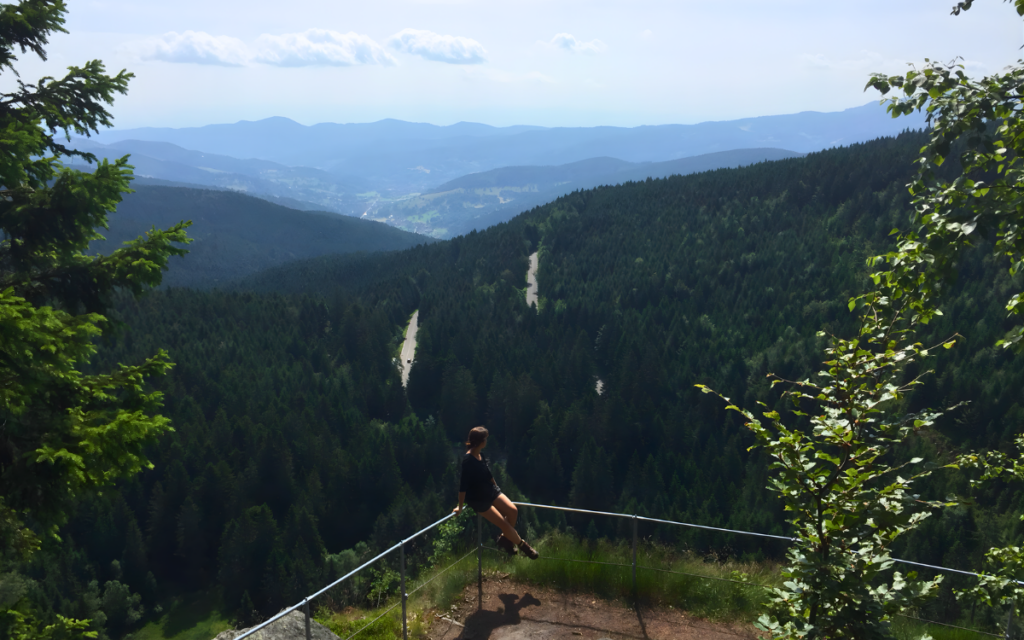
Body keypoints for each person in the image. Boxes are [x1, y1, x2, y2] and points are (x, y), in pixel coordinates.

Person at [453, 426, 538, 559]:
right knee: (503, 524)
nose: (487, 440)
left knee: (513, 511)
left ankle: (505, 539)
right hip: (479, 499)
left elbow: (488, 474)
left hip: (490, 491)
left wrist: (497, 490)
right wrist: (460, 506)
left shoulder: (480, 455)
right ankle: (524, 547)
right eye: (485, 438)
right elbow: (463, 486)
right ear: (480, 441)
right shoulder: (468, 461)